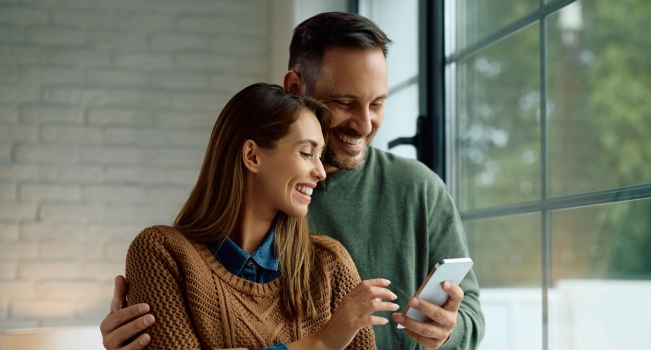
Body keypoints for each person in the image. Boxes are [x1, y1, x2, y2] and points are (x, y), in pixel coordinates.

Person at [101, 12, 485, 350]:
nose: (365, 125)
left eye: (377, 103)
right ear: (295, 88)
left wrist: (448, 330)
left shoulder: (413, 193)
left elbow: (469, 314)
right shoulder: (190, 245)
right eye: (345, 103)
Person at [120, 83, 399, 350]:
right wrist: (321, 343)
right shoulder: (162, 253)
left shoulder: (330, 265)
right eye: (306, 153)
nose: (320, 172)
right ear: (252, 156)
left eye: (320, 155)